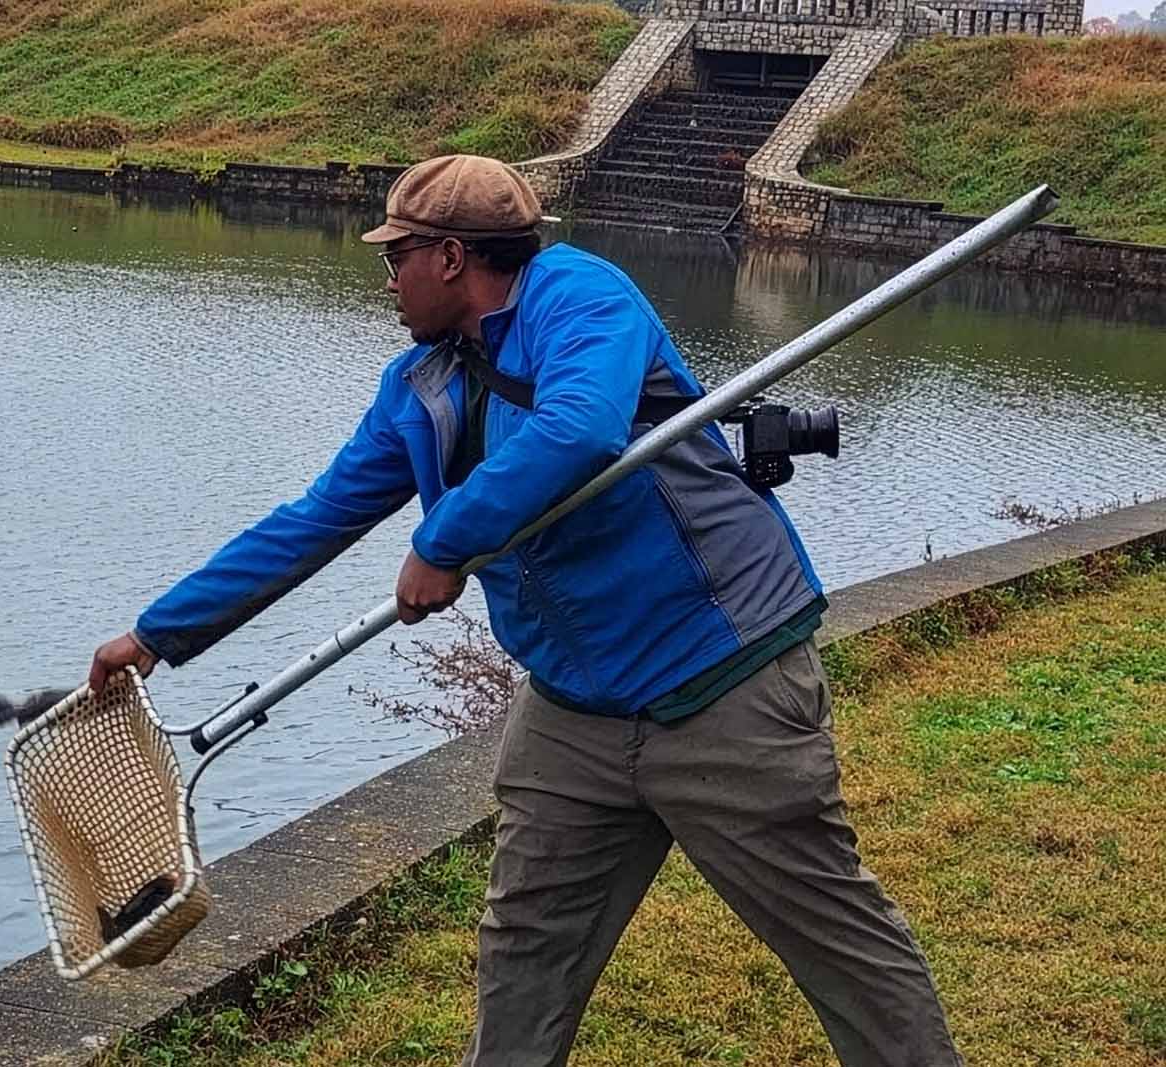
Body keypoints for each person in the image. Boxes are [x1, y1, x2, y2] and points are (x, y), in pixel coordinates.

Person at [89, 154, 962, 1067]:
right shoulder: (420, 386)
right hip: (576, 707)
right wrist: (159, 633)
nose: (386, 278)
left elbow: (580, 427)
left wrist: (443, 539)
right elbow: (313, 519)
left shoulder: (581, 295)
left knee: (836, 938)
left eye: (398, 258)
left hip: (721, 677)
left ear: (454, 257)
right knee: (526, 953)